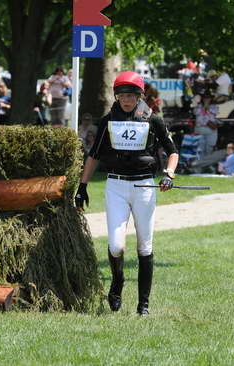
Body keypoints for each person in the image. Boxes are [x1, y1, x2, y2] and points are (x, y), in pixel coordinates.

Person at [75, 71, 179, 316]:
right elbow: (94, 156)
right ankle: (117, 281)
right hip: (116, 186)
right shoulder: (108, 121)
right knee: (116, 245)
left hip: (144, 186)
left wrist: (169, 174)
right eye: (122, 95)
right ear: (116, 96)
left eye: (131, 95)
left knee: (145, 246)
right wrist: (82, 187)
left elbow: (172, 151)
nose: (126, 100)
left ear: (139, 96)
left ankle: (143, 304)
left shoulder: (154, 120)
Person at [193, 89, 219, 157]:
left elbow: (215, 113)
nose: (206, 99)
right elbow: (195, 112)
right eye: (205, 98)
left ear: (211, 98)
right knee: (200, 148)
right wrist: (203, 106)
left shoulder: (214, 106)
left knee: (209, 148)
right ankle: (200, 164)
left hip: (210, 129)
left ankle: (208, 164)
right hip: (200, 129)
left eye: (208, 98)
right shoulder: (198, 106)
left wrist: (207, 107)